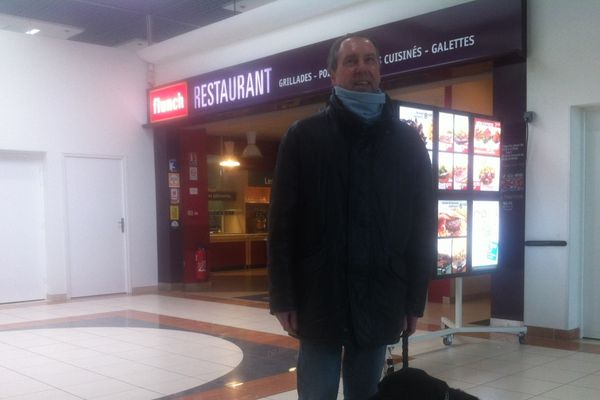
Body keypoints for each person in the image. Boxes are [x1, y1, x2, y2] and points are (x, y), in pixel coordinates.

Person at [268, 34, 436, 400]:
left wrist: (414, 301)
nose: (362, 67)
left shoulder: (408, 142)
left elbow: (423, 225)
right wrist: (283, 297)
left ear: (379, 68)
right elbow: (281, 225)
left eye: (370, 59)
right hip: (319, 299)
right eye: (351, 61)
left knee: (366, 394)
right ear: (332, 73)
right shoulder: (304, 137)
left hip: (381, 295)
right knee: (317, 394)